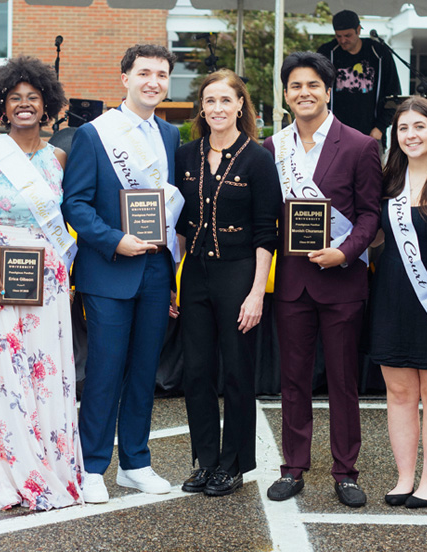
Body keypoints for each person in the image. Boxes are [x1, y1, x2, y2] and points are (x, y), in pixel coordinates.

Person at [62, 44, 183, 503]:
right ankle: (92, 465)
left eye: (161, 74)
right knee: (105, 371)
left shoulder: (171, 136)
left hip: (155, 270)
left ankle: (135, 461)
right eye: (144, 73)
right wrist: (115, 239)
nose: (153, 81)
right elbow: (74, 202)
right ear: (125, 78)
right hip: (110, 270)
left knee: (143, 372)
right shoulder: (94, 134)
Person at [263, 52, 381, 507]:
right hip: (292, 282)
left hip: (343, 283)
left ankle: (345, 471)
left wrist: (345, 252)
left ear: (328, 91)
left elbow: (371, 214)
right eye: (295, 86)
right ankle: (293, 468)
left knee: (343, 381)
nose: (304, 93)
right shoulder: (273, 149)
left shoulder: (359, 146)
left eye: (313, 85)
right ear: (286, 94)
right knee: (292, 380)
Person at [0, 56, 84, 510]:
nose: (24, 105)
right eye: (14, 98)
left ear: (47, 104)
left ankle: (51, 466)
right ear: (1, 104)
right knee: (3, 368)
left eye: (33, 98)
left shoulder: (58, 158)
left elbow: (70, 215)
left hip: (47, 271)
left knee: (45, 368)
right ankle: (12, 470)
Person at [175, 69, 280, 497]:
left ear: (241, 105)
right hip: (196, 273)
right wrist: (172, 280)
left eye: (225, 101)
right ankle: (206, 460)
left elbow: (265, 233)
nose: (217, 108)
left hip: (239, 273)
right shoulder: (186, 155)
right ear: (202, 108)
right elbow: (178, 225)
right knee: (196, 371)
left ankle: (234, 462)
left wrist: (257, 293)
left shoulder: (257, 158)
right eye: (210, 101)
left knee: (237, 371)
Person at [369, 96, 427, 509]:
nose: (410, 135)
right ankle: (404, 477)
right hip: (391, 294)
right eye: (403, 128)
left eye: (419, 126)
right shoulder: (387, 180)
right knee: (399, 392)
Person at [317, 10, 401, 145]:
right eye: (339, 36)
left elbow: (393, 94)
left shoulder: (379, 53)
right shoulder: (327, 53)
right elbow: (316, 90)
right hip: (333, 136)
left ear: (359, 30)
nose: (343, 40)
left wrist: (380, 128)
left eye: (348, 35)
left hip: (371, 135)